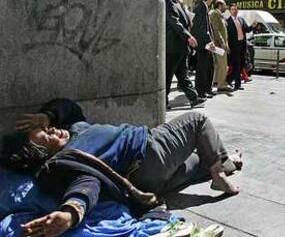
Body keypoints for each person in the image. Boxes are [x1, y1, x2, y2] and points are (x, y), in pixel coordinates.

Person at [2, 99, 242, 236]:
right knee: (197, 120)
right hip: (149, 149)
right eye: (45, 136)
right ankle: (219, 174)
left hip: (147, 180)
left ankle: (225, 161)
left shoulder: (72, 129)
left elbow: (70, 107)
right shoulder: (63, 160)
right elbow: (85, 183)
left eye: (48, 126)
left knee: (196, 161)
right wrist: (71, 213)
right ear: (43, 155)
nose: (52, 129)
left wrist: (47, 114)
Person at [163, 0, 206, 108]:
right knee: (167, 77)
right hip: (173, 47)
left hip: (180, 48)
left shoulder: (175, 3)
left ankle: (194, 98)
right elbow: (174, 23)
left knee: (183, 75)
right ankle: (162, 102)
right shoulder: (167, 3)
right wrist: (188, 37)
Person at [226, 4, 256, 91]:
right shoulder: (227, 21)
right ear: (230, 11)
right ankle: (237, 85)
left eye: (236, 9)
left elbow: (247, 29)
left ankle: (229, 79)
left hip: (242, 45)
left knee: (242, 64)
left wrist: (252, 26)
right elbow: (227, 35)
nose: (234, 11)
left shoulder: (241, 19)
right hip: (234, 46)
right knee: (237, 65)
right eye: (232, 9)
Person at [193, 0, 216, 98]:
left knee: (209, 67)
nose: (212, 0)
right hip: (203, 44)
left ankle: (207, 89)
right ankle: (201, 91)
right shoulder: (201, 7)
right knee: (202, 68)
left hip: (205, 43)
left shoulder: (203, 7)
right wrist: (209, 41)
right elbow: (202, 28)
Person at [210, 0, 232, 92]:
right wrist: (223, 43)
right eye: (224, 5)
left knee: (219, 65)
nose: (226, 7)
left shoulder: (219, 15)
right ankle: (221, 84)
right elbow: (216, 30)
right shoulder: (215, 14)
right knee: (222, 65)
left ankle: (217, 82)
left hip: (220, 44)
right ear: (219, 5)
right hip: (218, 45)